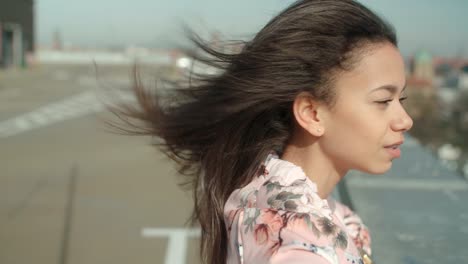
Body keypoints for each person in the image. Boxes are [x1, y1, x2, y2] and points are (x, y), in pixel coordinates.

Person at [110, 0, 413, 263]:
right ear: (311, 113)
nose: (405, 120)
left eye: (401, 100)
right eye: (383, 101)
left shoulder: (259, 189)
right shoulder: (303, 247)